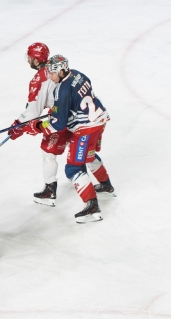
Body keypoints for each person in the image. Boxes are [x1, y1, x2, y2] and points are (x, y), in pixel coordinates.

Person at [38, 54, 114, 223]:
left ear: (61, 71)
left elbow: (58, 125)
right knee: (90, 154)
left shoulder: (62, 90)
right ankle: (106, 184)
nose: (50, 77)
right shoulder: (78, 74)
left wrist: (40, 127)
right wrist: (60, 108)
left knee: (73, 168)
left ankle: (92, 207)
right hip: (100, 120)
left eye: (52, 73)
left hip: (86, 128)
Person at [7, 43, 67, 206]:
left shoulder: (38, 80)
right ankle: (102, 181)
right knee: (81, 148)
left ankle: (50, 190)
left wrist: (18, 125)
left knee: (48, 153)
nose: (28, 60)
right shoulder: (55, 66)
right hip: (77, 112)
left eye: (30, 58)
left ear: (36, 60)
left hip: (61, 117)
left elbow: (33, 112)